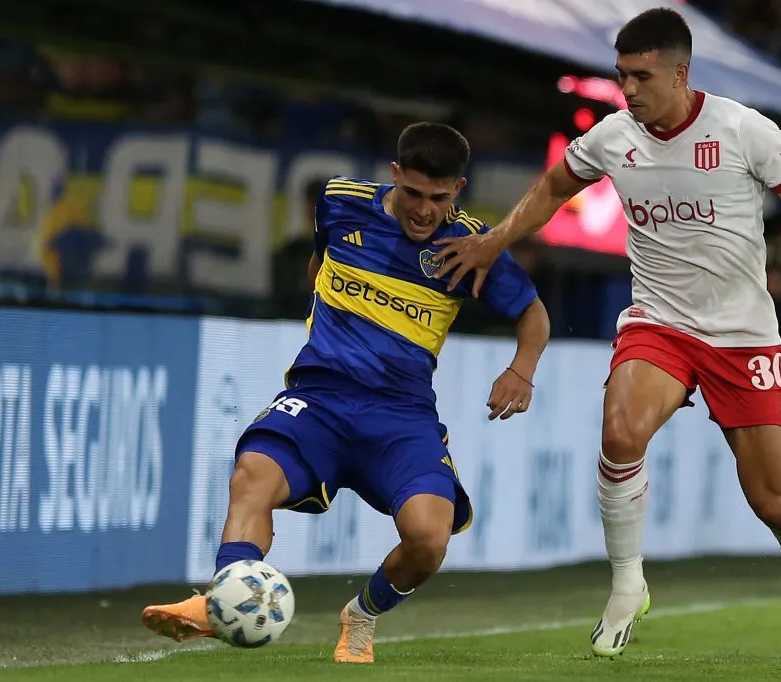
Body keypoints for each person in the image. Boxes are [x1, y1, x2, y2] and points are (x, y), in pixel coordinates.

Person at [433, 8, 781, 670]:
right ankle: (628, 583)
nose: (627, 90)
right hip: (659, 324)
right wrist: (493, 240)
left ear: (680, 73)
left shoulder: (743, 128)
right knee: (620, 432)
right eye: (620, 76)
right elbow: (551, 187)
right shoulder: (611, 136)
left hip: (744, 339)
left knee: (773, 502)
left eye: (640, 76)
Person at [140, 122, 551, 664]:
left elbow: (533, 313)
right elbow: (320, 259)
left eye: (439, 198)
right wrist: (326, 318)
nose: (425, 211)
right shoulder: (339, 202)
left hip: (401, 418)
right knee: (252, 476)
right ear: (395, 175)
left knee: (430, 539)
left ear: (458, 188)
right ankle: (222, 603)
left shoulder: (469, 246)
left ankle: (361, 615)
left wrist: (520, 371)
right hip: (322, 399)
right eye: (413, 194)